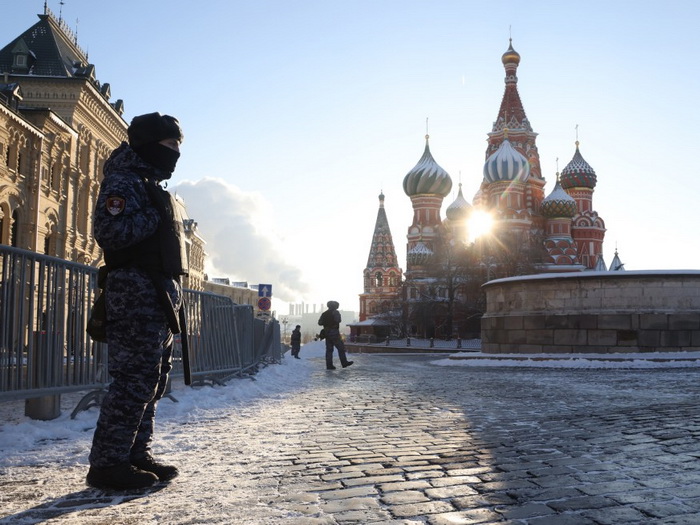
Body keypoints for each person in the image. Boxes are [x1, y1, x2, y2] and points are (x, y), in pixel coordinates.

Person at [86, 112, 188, 490]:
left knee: (152, 381)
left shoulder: (147, 182)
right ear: (148, 145)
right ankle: (108, 464)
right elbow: (109, 232)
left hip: (155, 294)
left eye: (179, 145)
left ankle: (134, 454)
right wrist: (155, 216)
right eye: (170, 145)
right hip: (134, 293)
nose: (176, 153)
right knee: (132, 381)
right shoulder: (124, 181)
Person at [318, 301, 353, 370]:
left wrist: (327, 323)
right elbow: (338, 320)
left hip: (327, 333)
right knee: (341, 348)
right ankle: (344, 362)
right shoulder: (335, 312)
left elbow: (320, 323)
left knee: (329, 350)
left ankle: (329, 365)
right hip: (334, 333)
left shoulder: (324, 313)